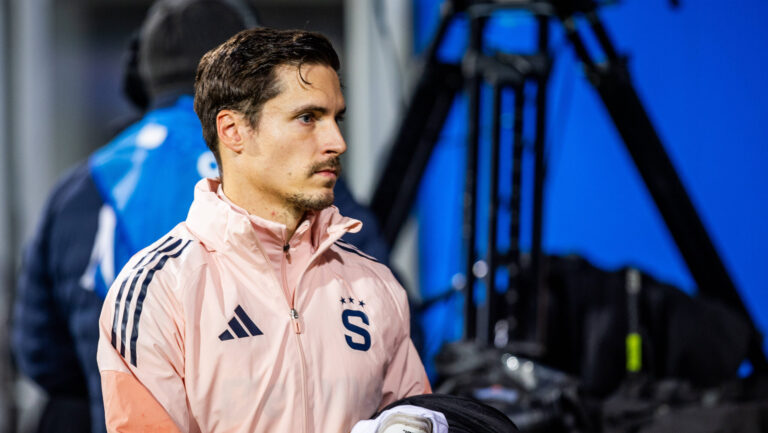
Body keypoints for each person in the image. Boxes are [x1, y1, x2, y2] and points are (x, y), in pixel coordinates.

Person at [13, 2, 389, 432]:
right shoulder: (291, 170)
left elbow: (41, 358)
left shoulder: (78, 190)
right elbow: (382, 326)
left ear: (140, 74)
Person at [97, 27, 430, 432]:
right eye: (308, 118)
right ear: (233, 131)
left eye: (336, 118)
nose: (337, 141)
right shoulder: (159, 289)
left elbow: (417, 416)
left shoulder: (375, 284)